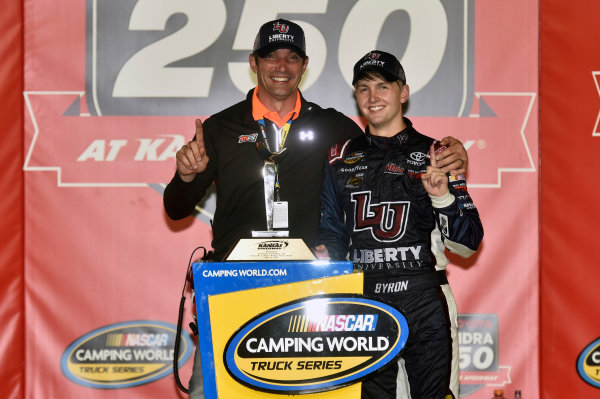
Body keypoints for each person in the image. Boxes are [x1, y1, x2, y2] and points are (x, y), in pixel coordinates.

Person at [163, 19, 469, 398]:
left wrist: (447, 151)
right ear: (253, 62)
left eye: (292, 57)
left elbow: (390, 147)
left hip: (311, 294)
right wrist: (186, 178)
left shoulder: (334, 128)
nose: (281, 66)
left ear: (304, 65)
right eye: (270, 56)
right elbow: (175, 209)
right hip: (232, 289)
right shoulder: (219, 128)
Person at [314, 50, 484, 398]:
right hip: (365, 303)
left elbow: (468, 243)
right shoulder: (338, 157)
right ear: (356, 95)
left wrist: (442, 197)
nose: (373, 97)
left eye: (382, 86)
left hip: (425, 297)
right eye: (363, 89)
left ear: (402, 92)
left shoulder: (438, 154)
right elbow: (331, 235)